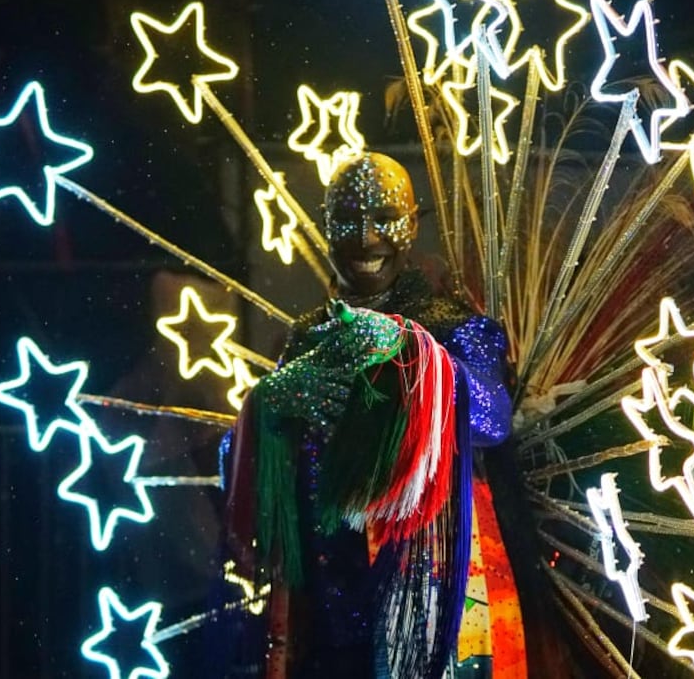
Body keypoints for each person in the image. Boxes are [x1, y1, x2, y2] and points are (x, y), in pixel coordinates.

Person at [219, 152, 536, 678]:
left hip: (426, 593)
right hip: (327, 594)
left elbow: (492, 421)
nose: (366, 238)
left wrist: (410, 354)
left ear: (412, 225)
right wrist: (270, 403)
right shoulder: (305, 340)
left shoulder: (450, 325)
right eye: (348, 218)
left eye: (384, 218)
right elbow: (250, 480)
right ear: (325, 227)